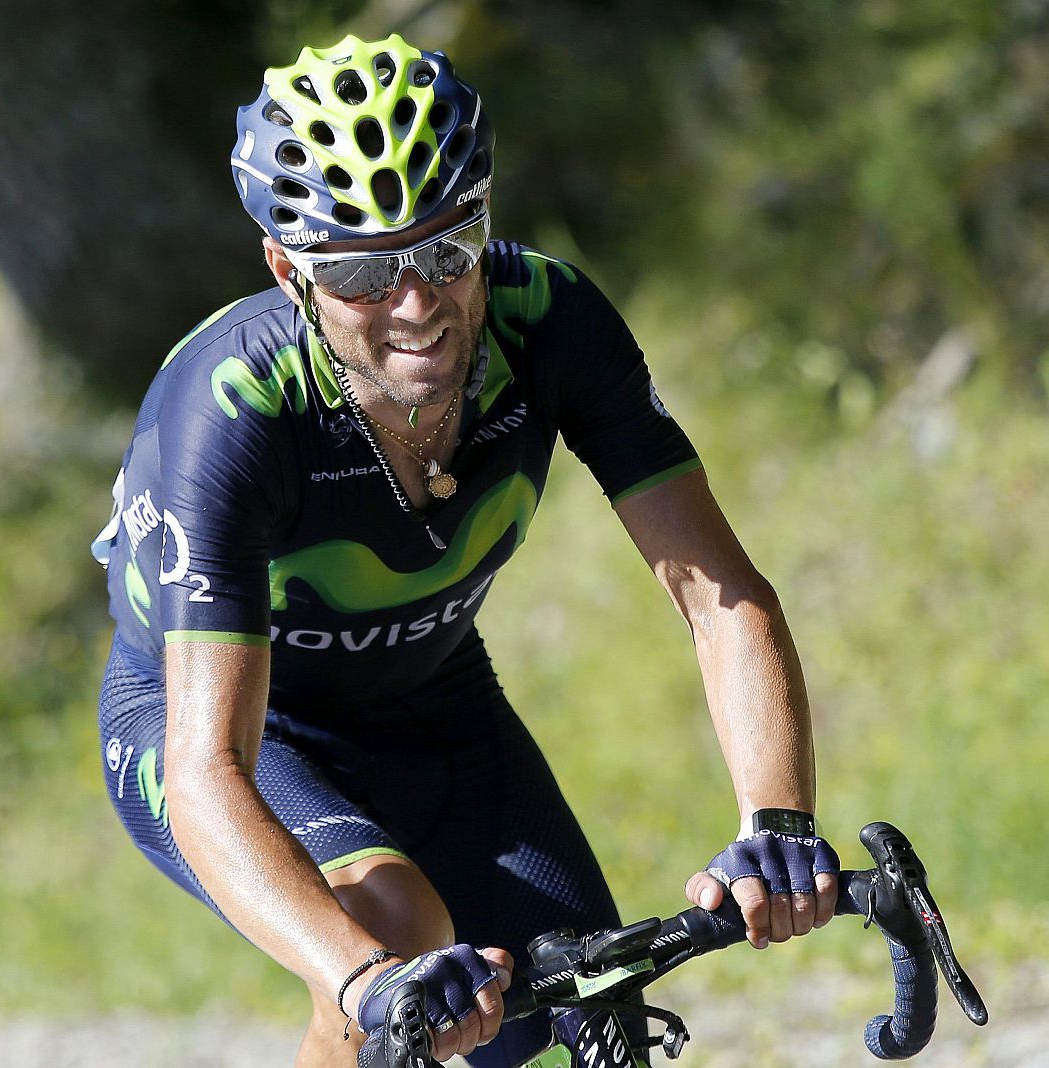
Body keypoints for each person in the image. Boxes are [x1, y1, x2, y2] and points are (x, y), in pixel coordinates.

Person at [91, 32, 838, 1067]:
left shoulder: (550, 321)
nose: (417, 303)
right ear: (288, 271)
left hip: (436, 693)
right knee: (393, 939)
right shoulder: (231, 410)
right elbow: (209, 765)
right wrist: (364, 980)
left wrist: (779, 823)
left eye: (448, 250)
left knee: (597, 1006)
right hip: (229, 728)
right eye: (363, 272)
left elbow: (721, 596)